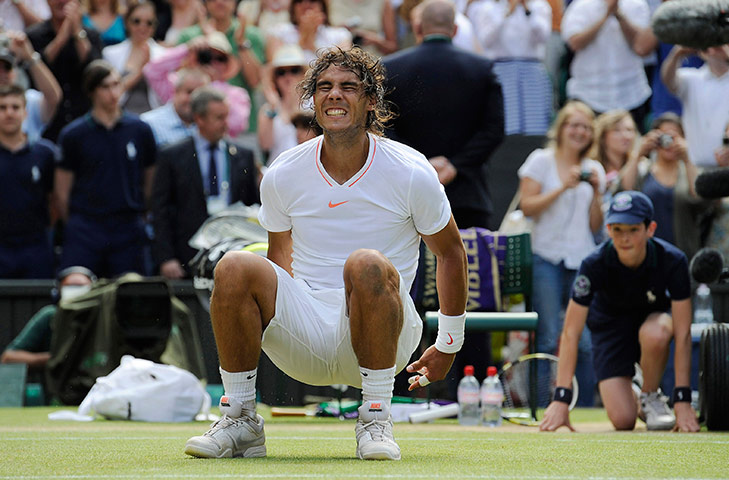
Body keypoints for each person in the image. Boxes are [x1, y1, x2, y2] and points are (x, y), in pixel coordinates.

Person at [183, 46, 468, 461]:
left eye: (349, 87)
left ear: (371, 101)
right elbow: (279, 264)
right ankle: (241, 417)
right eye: (324, 87)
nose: (335, 95)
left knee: (364, 262)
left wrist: (448, 343)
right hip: (306, 335)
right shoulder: (283, 171)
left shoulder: (411, 170)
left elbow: (451, 253)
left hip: (387, 334)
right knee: (235, 264)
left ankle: (375, 418)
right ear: (313, 101)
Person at [540, 191, 700, 432]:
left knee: (656, 332)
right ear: (608, 229)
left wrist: (683, 401)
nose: (625, 238)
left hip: (652, 326)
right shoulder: (593, 264)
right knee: (623, 420)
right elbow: (571, 333)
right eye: (617, 230)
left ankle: (649, 395)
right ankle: (633, 392)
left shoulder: (673, 261)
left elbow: (683, 332)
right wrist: (561, 399)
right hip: (610, 332)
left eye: (633, 230)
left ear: (650, 229)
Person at [383, 0, 504, 231]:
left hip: (408, 197)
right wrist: (456, 166)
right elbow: (494, 130)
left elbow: (384, 129)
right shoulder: (482, 68)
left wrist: (423, 165)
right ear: (455, 30)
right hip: (469, 195)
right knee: (467, 267)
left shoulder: (390, 68)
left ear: (418, 28)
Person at [518, 100, 605, 406]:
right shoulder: (540, 160)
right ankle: (543, 403)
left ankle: (582, 406)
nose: (579, 131)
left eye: (585, 126)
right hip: (547, 257)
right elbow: (527, 207)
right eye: (574, 125)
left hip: (581, 259)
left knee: (584, 340)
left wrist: (596, 193)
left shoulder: (594, 168)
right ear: (562, 128)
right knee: (548, 335)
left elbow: (596, 226)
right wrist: (562, 188)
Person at [54, 60, 157, 278]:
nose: (113, 92)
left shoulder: (140, 130)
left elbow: (149, 181)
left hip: (127, 226)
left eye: (116, 84)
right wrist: (75, 223)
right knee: (76, 291)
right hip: (85, 227)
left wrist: (140, 213)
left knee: (131, 293)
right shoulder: (74, 134)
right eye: (105, 86)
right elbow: (62, 191)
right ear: (91, 91)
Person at [151, 87, 260, 279]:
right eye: (219, 118)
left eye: (226, 116)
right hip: (186, 255)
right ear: (199, 119)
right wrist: (166, 257)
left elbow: (253, 206)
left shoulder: (243, 156)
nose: (225, 124)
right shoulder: (172, 156)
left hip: (233, 253)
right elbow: (160, 210)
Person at [620, 113, 711, 261]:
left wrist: (687, 158)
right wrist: (639, 153)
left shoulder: (690, 171)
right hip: (647, 255)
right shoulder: (643, 170)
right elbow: (625, 193)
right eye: (662, 137)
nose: (668, 142)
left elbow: (700, 197)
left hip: (684, 253)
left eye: (674, 137)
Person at [560, 0, 654, 130]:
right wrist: (605, 15)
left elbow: (642, 46)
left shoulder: (637, 5)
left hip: (631, 94)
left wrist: (618, 14)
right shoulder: (580, 6)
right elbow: (575, 43)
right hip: (589, 95)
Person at [176, 0, 265, 132]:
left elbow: (256, 81)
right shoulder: (189, 36)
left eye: (220, 59)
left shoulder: (251, 35)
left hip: (240, 128)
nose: (219, 2)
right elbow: (178, 81)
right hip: (195, 126)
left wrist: (241, 44)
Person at [467, 0, 553, 135]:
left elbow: (543, 36)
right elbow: (486, 40)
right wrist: (507, 13)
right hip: (502, 68)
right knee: (505, 122)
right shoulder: (488, 8)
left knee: (535, 125)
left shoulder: (539, 6)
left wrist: (527, 11)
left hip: (531, 69)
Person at [143, 31, 252, 137]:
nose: (213, 63)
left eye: (220, 58)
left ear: (227, 64)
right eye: (206, 56)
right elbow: (151, 71)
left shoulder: (237, 94)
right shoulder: (180, 83)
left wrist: (209, 85)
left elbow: (237, 125)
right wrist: (186, 49)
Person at [0, 84, 58, 279]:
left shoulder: (45, 153)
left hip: (35, 245)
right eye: (2, 108)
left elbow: (54, 200)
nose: (9, 113)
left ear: (25, 112)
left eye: (15, 107)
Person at [26, 0, 104, 142]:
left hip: (83, 118)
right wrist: (62, 36)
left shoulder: (91, 35)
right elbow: (39, 66)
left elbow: (94, 69)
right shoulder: (34, 35)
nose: (62, 2)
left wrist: (76, 33)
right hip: (49, 122)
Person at [0, 266, 96, 369]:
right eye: (70, 287)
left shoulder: (102, 316)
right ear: (58, 292)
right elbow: (8, 357)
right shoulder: (50, 315)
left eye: (81, 287)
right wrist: (55, 358)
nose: (76, 291)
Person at [661, 44, 729, 168]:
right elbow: (668, 80)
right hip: (697, 169)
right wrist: (678, 52)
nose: (717, 48)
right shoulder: (692, 78)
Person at [102, 0, 168, 115]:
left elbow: (166, 95)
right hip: (120, 116)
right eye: (136, 21)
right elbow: (109, 92)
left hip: (154, 116)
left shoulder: (164, 55)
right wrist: (140, 71)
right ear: (127, 22)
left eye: (149, 22)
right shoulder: (110, 53)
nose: (143, 26)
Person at [0, 30, 62, 142]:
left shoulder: (30, 99)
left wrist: (29, 56)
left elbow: (53, 98)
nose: (2, 74)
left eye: (7, 68)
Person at [256, 43, 308, 164]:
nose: (288, 76)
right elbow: (265, 145)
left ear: (303, 74)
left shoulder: (314, 105)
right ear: (275, 78)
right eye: (281, 72)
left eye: (294, 70)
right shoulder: (268, 110)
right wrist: (273, 108)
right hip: (277, 171)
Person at [140, 67, 210, 147]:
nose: (194, 99)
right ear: (176, 91)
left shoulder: (210, 127)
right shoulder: (149, 124)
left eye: (201, 94)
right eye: (189, 92)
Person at [265, 0, 352, 63]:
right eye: (299, 1)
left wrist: (312, 46)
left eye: (312, 0)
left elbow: (342, 63)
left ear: (322, 7)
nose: (305, 4)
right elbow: (276, 63)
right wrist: (303, 38)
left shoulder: (340, 34)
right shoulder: (278, 32)